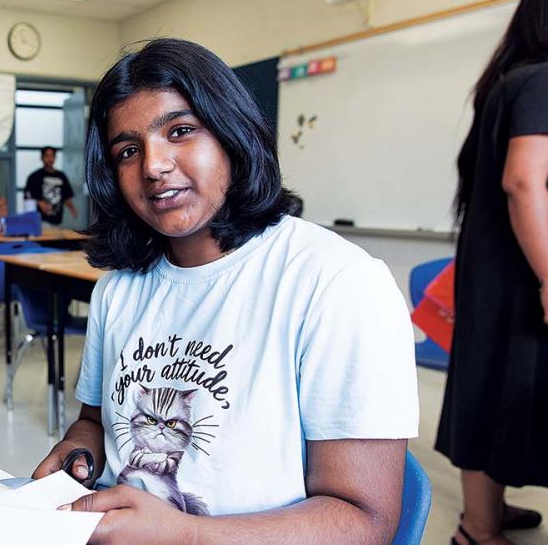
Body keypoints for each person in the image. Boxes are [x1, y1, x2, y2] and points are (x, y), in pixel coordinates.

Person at [31, 38, 418, 543]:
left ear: (232, 134)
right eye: (128, 150)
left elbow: (364, 522)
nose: (153, 166)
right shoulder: (118, 289)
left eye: (181, 131)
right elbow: (93, 420)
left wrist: (186, 534)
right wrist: (79, 450)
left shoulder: (336, 282)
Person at [437, 0, 548, 543]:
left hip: (495, 273)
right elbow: (524, 181)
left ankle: (483, 518)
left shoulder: (508, 83)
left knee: (488, 388)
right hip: (522, 275)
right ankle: (480, 528)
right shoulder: (543, 81)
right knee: (499, 391)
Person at [23, 146, 77, 225]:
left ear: (55, 158)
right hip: (40, 220)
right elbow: (28, 196)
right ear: (41, 158)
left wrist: (72, 209)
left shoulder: (61, 176)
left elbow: (66, 196)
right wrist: (40, 203)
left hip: (57, 220)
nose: (50, 159)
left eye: (52, 156)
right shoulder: (34, 177)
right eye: (47, 156)